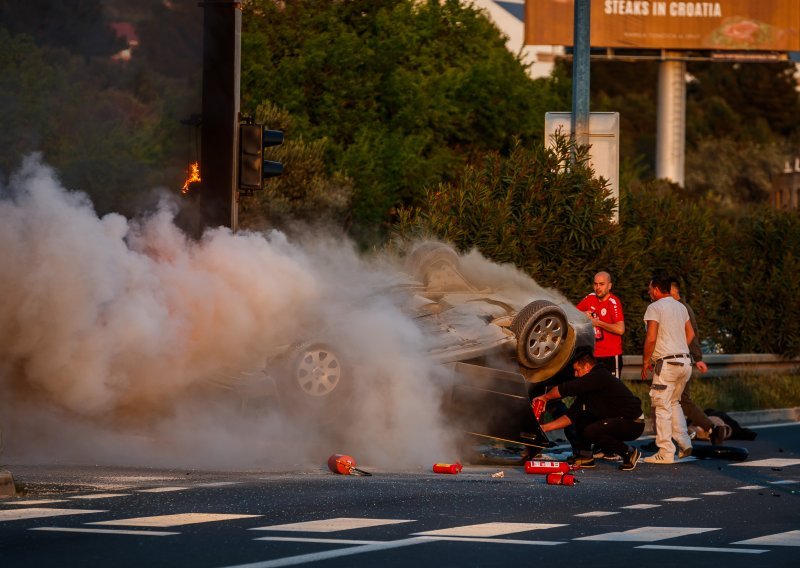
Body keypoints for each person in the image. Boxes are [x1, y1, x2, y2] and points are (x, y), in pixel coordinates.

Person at [532, 351, 644, 471]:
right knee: (581, 418)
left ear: (587, 367)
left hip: (633, 423)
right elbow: (570, 417)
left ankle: (629, 452)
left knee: (591, 431)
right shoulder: (589, 387)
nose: (575, 374)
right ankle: (585, 456)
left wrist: (545, 397)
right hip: (617, 420)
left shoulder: (599, 376)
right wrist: (544, 428)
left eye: (577, 370)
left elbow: (566, 388)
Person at [641, 274, 694, 464]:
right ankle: (684, 441)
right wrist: (679, 348)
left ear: (656, 289)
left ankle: (665, 450)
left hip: (667, 363)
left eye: (649, 288)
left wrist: (646, 360)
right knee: (674, 402)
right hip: (685, 362)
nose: (648, 292)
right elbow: (691, 333)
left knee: (661, 405)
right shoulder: (681, 307)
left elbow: (651, 337)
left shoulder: (654, 308)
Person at [669, 276, 725, 446]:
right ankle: (705, 429)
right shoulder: (683, 307)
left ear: (673, 290)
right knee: (680, 400)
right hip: (684, 360)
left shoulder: (681, 308)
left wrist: (698, 358)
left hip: (681, 361)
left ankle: (710, 428)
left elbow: (691, 335)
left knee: (678, 400)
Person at [576, 271, 625, 378]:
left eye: (601, 284)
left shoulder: (613, 302)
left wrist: (598, 323)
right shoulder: (590, 298)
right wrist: (583, 314)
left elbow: (620, 329)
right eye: (595, 284)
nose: (598, 287)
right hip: (592, 355)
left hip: (610, 355)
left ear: (609, 286)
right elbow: (573, 313)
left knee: (611, 391)